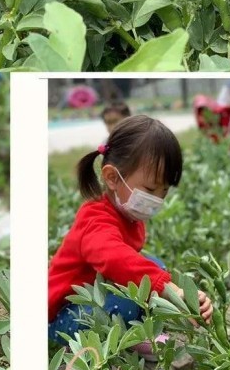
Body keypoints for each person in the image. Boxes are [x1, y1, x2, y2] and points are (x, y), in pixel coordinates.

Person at [48, 115, 213, 347]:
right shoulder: (94, 220)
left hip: (95, 295)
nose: (156, 200)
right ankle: (87, 358)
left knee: (154, 268)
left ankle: (138, 335)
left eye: (163, 192)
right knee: (128, 300)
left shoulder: (128, 214)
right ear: (113, 177)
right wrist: (171, 290)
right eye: (150, 189)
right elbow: (116, 259)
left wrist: (185, 296)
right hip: (64, 317)